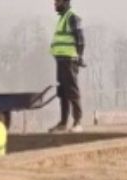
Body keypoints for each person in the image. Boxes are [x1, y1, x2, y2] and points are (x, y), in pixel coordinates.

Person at [49, 0, 85, 133]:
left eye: (57, 2)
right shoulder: (62, 18)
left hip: (69, 60)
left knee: (72, 90)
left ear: (65, 2)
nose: (55, 4)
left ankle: (78, 122)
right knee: (63, 92)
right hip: (61, 60)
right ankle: (63, 123)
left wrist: (79, 56)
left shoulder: (72, 17)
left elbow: (80, 39)